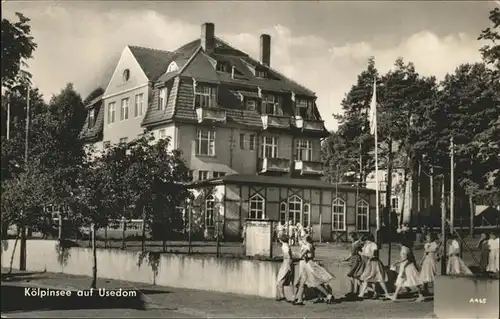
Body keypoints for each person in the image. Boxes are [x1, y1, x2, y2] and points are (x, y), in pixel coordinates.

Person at [293, 236, 336, 305]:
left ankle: (328, 295)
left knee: (315, 283)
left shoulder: (308, 246)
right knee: (302, 282)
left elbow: (301, 255)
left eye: (303, 239)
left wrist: (295, 254)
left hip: (309, 265)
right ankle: (300, 299)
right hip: (308, 264)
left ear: (306, 240)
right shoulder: (309, 245)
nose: (302, 240)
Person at [358, 233, 390, 300]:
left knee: (379, 279)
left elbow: (372, 255)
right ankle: (365, 294)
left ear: (369, 239)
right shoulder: (367, 245)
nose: (366, 242)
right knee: (369, 279)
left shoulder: (373, 245)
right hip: (370, 263)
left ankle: (386, 294)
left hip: (375, 263)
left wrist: (362, 253)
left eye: (366, 241)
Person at [343, 232, 363, 300]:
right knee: (353, 276)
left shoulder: (356, 244)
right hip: (353, 259)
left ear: (352, 237)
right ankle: (354, 291)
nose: (349, 239)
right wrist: (347, 258)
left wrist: (346, 258)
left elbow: (353, 253)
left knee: (354, 275)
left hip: (355, 260)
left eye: (350, 237)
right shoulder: (355, 243)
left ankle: (356, 292)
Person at [276, 234, 294, 301]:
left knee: (279, 280)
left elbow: (287, 256)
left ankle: (282, 296)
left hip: (286, 263)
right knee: (282, 280)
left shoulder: (284, 246)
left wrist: (288, 265)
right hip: (287, 263)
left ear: (281, 240)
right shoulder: (287, 245)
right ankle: (282, 295)